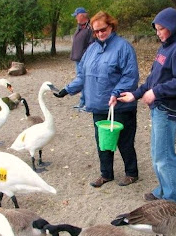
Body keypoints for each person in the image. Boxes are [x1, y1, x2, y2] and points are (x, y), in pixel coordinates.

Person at [54, 11, 140, 188]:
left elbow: (130, 76)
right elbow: (83, 76)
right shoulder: (91, 50)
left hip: (121, 106)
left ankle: (131, 173)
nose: (100, 33)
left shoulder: (123, 47)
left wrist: (116, 92)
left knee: (124, 141)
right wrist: (67, 90)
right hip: (99, 106)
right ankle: (106, 174)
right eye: (96, 31)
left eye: (103, 29)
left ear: (111, 26)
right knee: (103, 142)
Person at [118, 7, 176, 207]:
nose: (158, 33)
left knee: (165, 156)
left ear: (173, 27)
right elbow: (153, 78)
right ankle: (164, 190)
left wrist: (156, 93)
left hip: (169, 109)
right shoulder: (164, 48)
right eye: (156, 29)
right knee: (157, 153)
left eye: (162, 29)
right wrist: (135, 93)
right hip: (160, 109)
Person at [70, 7, 94, 111]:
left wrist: (85, 57)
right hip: (78, 59)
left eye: (76, 15)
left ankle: (86, 103)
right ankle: (82, 102)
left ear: (82, 15)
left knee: (84, 81)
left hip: (84, 59)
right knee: (81, 80)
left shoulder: (89, 28)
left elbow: (91, 44)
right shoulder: (80, 27)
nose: (75, 17)